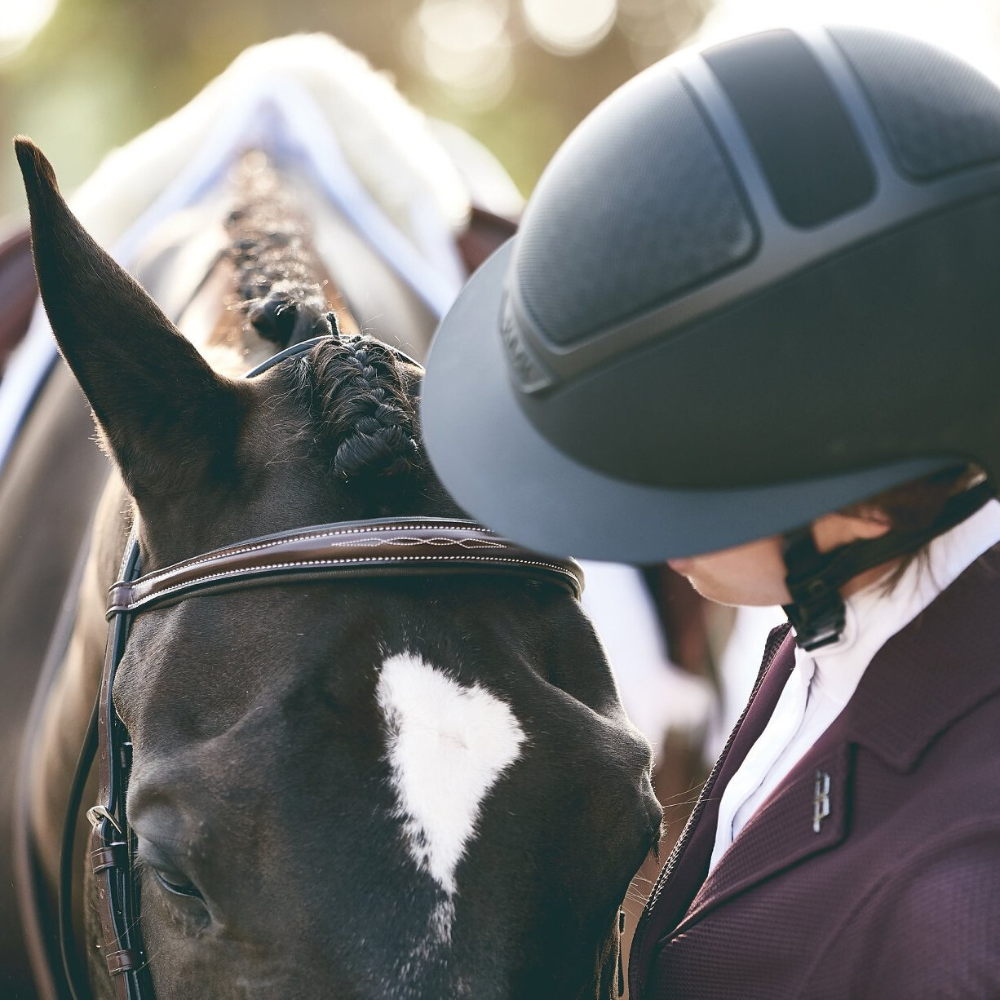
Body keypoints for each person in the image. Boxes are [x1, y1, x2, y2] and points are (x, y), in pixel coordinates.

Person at [420, 23, 1000, 998]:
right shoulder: (852, 597)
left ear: (860, 501)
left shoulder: (953, 925)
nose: (640, 537)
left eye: (672, 482)